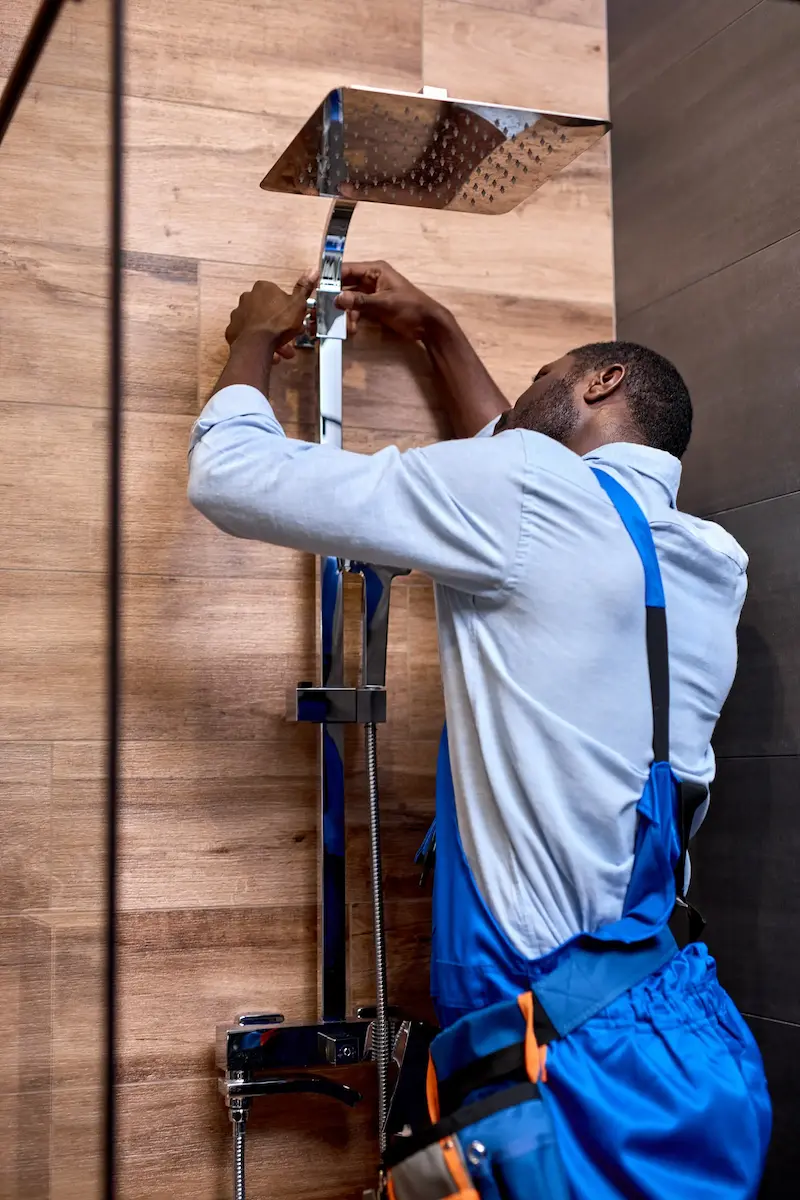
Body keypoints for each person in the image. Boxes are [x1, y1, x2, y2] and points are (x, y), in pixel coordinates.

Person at [188, 261, 771, 1198]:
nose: (527, 395)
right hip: (652, 1007)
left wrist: (251, 339)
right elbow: (521, 465)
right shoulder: (701, 560)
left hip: (534, 1029)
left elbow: (233, 476)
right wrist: (437, 328)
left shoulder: (532, 492)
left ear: (602, 382)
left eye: (547, 372)